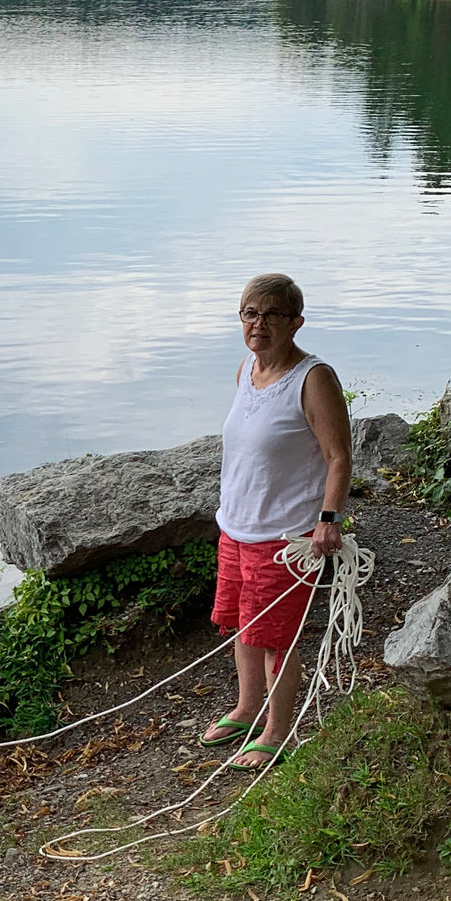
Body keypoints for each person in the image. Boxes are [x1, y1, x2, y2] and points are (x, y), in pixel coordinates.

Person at [200, 274, 352, 769]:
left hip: (285, 535)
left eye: (271, 315)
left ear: (295, 322)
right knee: (242, 626)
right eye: (250, 313)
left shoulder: (313, 378)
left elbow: (338, 457)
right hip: (237, 527)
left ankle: (277, 730)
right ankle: (246, 708)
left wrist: (328, 521)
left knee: (275, 637)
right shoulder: (246, 369)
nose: (258, 324)